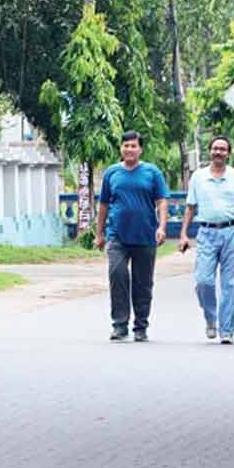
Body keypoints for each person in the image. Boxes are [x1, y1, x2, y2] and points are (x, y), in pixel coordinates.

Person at [178, 136, 234, 344]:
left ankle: (227, 330)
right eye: (215, 149)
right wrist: (184, 234)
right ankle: (211, 318)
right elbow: (190, 207)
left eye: (222, 149)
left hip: (231, 232)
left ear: (228, 153)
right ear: (209, 152)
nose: (218, 152)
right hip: (206, 232)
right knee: (204, 281)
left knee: (230, 283)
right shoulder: (198, 177)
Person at [95, 131, 169, 342]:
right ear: (121, 148)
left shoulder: (152, 172)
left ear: (140, 149)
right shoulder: (112, 173)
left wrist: (162, 227)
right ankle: (119, 324)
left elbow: (162, 201)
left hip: (145, 235)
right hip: (117, 235)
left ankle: (140, 326)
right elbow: (103, 205)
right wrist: (99, 234)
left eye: (133, 146)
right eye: (126, 145)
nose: (129, 149)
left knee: (143, 283)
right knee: (117, 276)